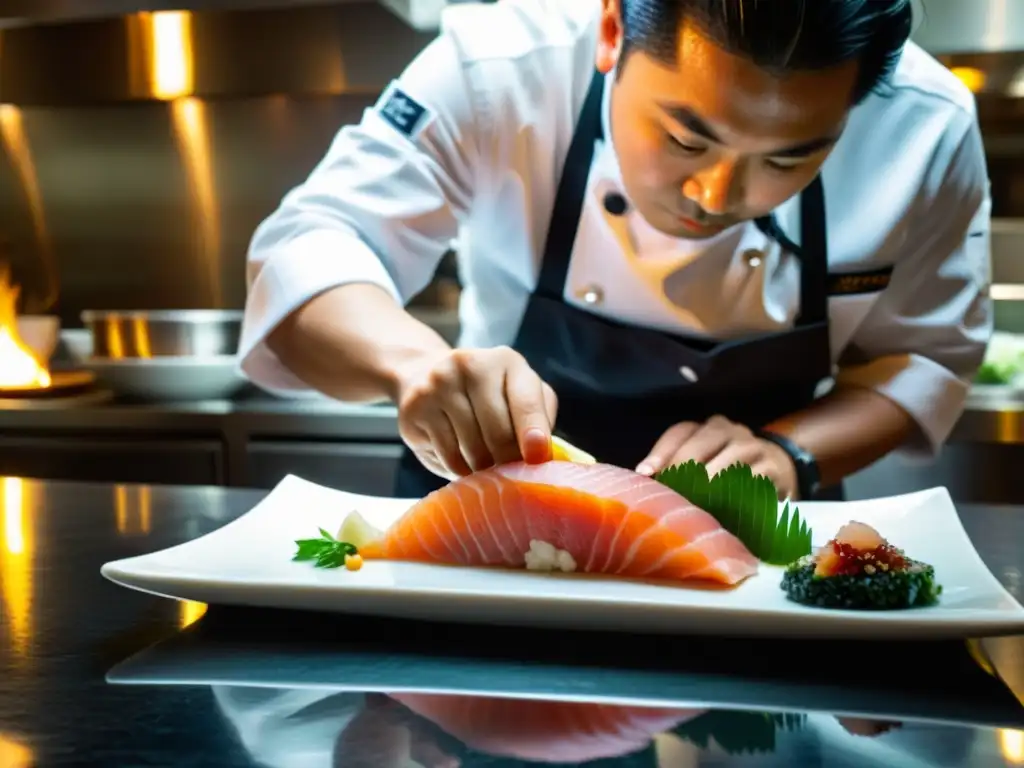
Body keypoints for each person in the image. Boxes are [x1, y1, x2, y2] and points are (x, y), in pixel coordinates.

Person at [237, 0, 992, 502]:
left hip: (758, 556)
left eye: (790, 160)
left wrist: (788, 453)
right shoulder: (497, 68)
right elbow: (311, 245)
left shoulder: (927, 127)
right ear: (611, 32)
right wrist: (413, 364)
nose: (717, 195)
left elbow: (925, 360)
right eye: (685, 138)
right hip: (497, 515)